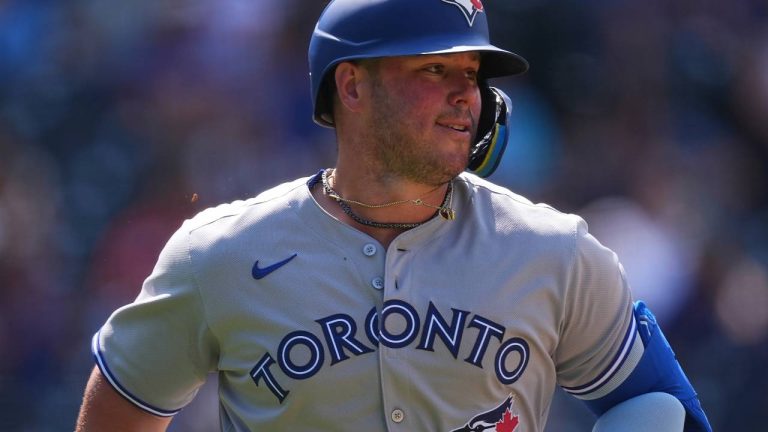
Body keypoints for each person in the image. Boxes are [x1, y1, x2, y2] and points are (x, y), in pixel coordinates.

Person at [76, 1, 712, 431]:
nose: (468, 93)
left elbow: (659, 405)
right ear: (351, 86)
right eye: (435, 69)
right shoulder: (220, 254)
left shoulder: (556, 250)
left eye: (472, 72)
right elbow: (120, 413)